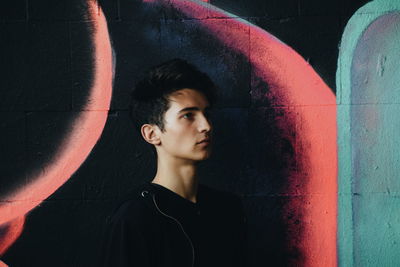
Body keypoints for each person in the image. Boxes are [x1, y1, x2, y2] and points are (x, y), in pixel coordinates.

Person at [103, 59, 247, 267]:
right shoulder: (135, 217)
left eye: (206, 113)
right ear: (152, 133)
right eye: (188, 115)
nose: (206, 126)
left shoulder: (228, 209)